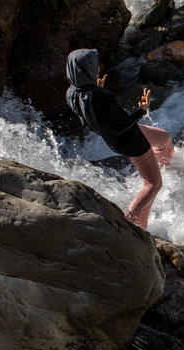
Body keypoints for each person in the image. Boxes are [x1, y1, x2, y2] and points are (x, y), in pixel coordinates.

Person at [66, 48, 174, 229]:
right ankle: (132, 223)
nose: (98, 68)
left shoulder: (72, 94)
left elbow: (93, 118)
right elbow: (120, 126)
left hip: (115, 138)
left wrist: (97, 88)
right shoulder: (102, 97)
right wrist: (142, 110)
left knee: (164, 138)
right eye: (95, 65)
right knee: (154, 184)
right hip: (130, 140)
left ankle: (167, 167)